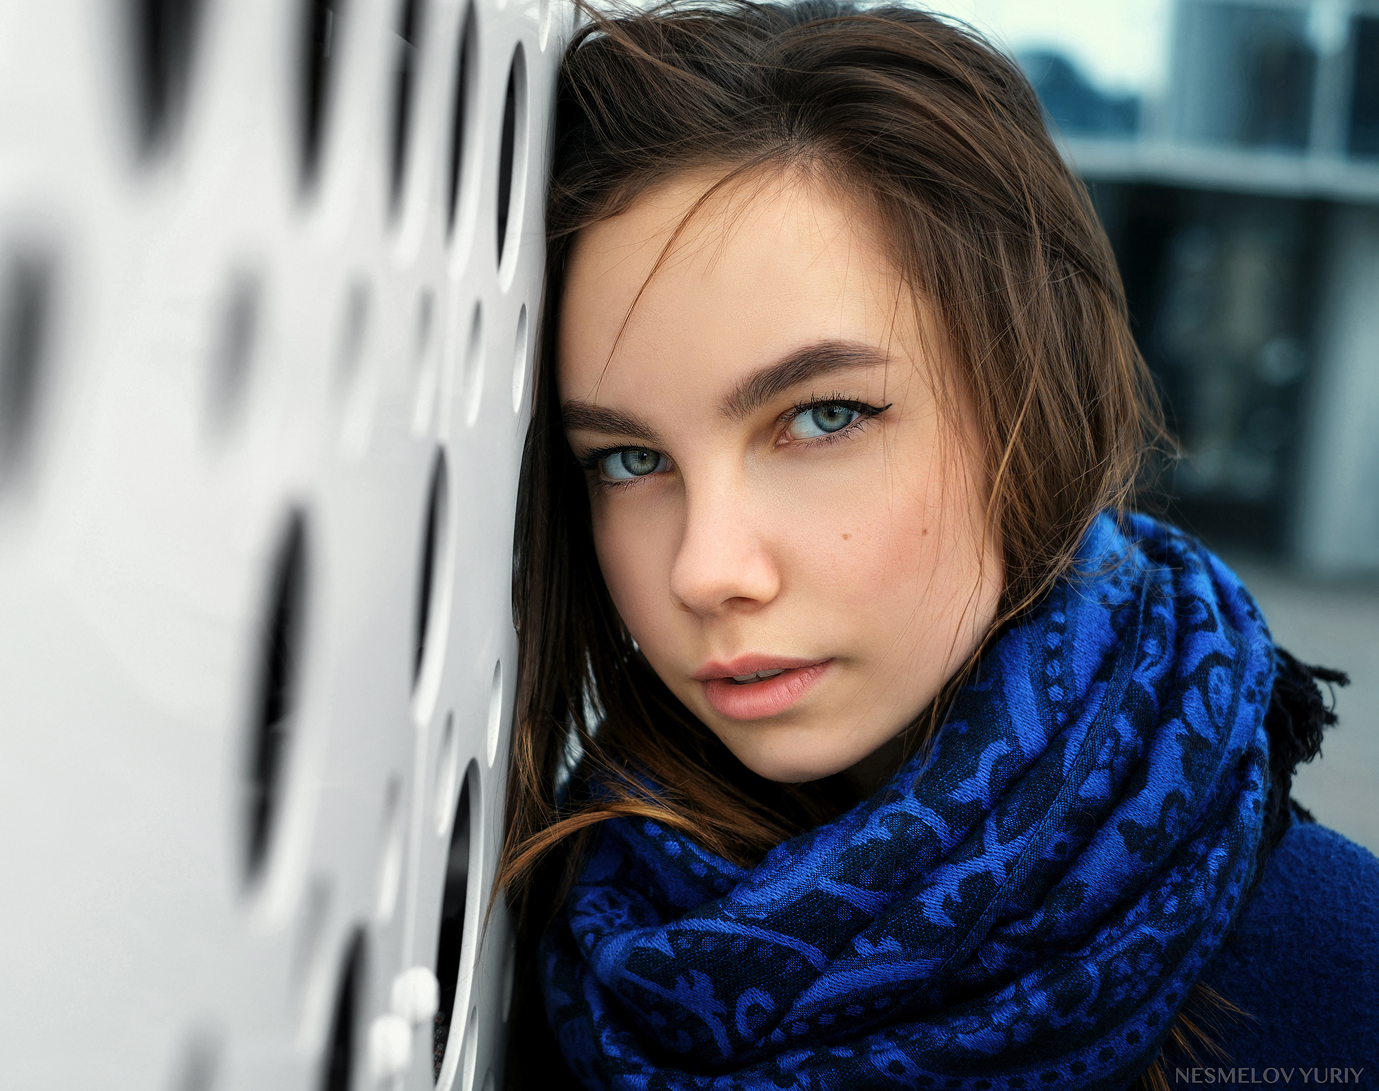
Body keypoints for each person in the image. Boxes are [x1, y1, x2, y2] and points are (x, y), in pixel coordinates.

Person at [493, 2, 1379, 1088]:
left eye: (821, 416)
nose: (705, 569)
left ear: (1029, 405)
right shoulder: (555, 932)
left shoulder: (1342, 984)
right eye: (628, 459)